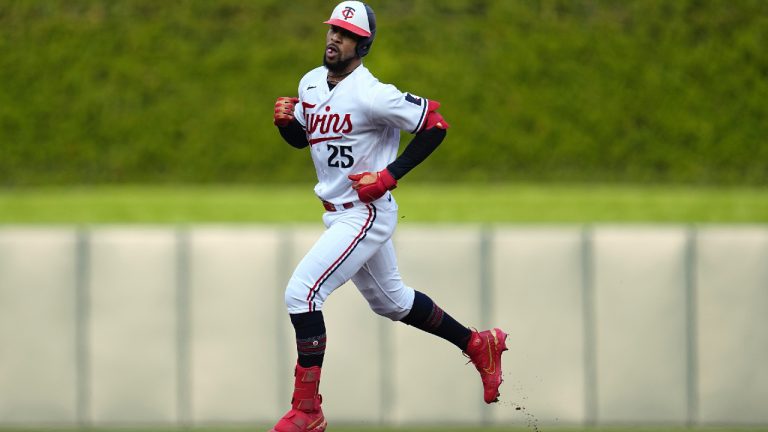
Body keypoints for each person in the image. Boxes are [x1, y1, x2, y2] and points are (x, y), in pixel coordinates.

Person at [270, 2, 508, 431]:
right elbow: (306, 140)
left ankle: (307, 410)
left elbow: (435, 125)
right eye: (332, 31)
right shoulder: (310, 82)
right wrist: (288, 126)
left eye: (344, 34)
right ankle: (477, 343)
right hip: (337, 212)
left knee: (301, 293)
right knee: (392, 301)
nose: (333, 39)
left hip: (365, 211)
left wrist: (389, 175)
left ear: (363, 44)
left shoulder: (373, 93)